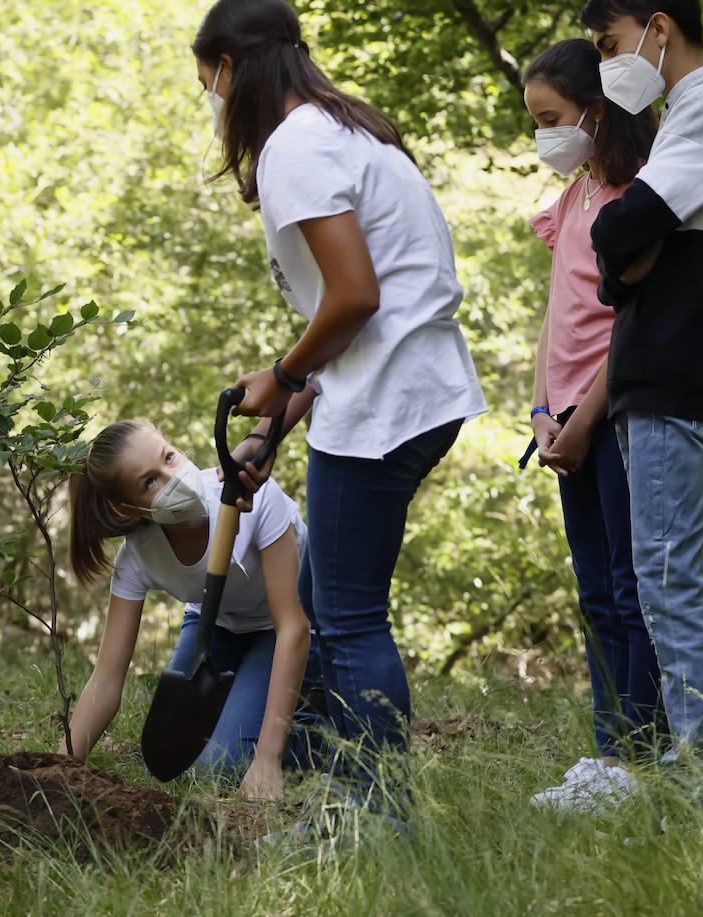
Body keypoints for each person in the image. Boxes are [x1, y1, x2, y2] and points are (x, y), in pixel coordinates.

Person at [192, 0, 487, 837]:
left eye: (206, 79)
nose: (210, 98)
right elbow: (353, 317)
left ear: (233, 68)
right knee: (320, 604)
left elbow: (356, 298)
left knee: (349, 619)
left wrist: (281, 371)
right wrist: (271, 427)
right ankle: (313, 774)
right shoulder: (345, 129)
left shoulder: (296, 147)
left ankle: (381, 815)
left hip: (386, 406)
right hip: (404, 389)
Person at [579, 0, 703, 773]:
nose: (608, 63)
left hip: (671, 364)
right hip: (664, 365)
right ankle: (698, 760)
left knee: (666, 575)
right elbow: (622, 259)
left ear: (658, 28)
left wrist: (625, 250)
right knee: (675, 572)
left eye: (612, 43)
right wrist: (624, 258)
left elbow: (616, 231)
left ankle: (700, 770)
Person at [519, 40, 662, 813]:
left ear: (597, 113)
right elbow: (556, 317)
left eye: (552, 119)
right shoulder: (571, 197)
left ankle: (639, 758)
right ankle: (606, 754)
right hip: (563, 418)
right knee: (593, 591)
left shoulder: (632, 198)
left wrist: (582, 420)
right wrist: (543, 409)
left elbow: (627, 326)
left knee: (628, 584)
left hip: (611, 417)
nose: (544, 135)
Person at [60, 421, 324, 799]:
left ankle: (327, 724)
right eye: (150, 482)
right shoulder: (137, 555)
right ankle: (248, 700)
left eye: (169, 457)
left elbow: (292, 627)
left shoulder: (252, 497)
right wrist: (61, 766)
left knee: (220, 766)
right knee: (169, 758)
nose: (173, 476)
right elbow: (106, 679)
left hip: (290, 629)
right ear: (127, 507)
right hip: (213, 624)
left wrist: (267, 757)